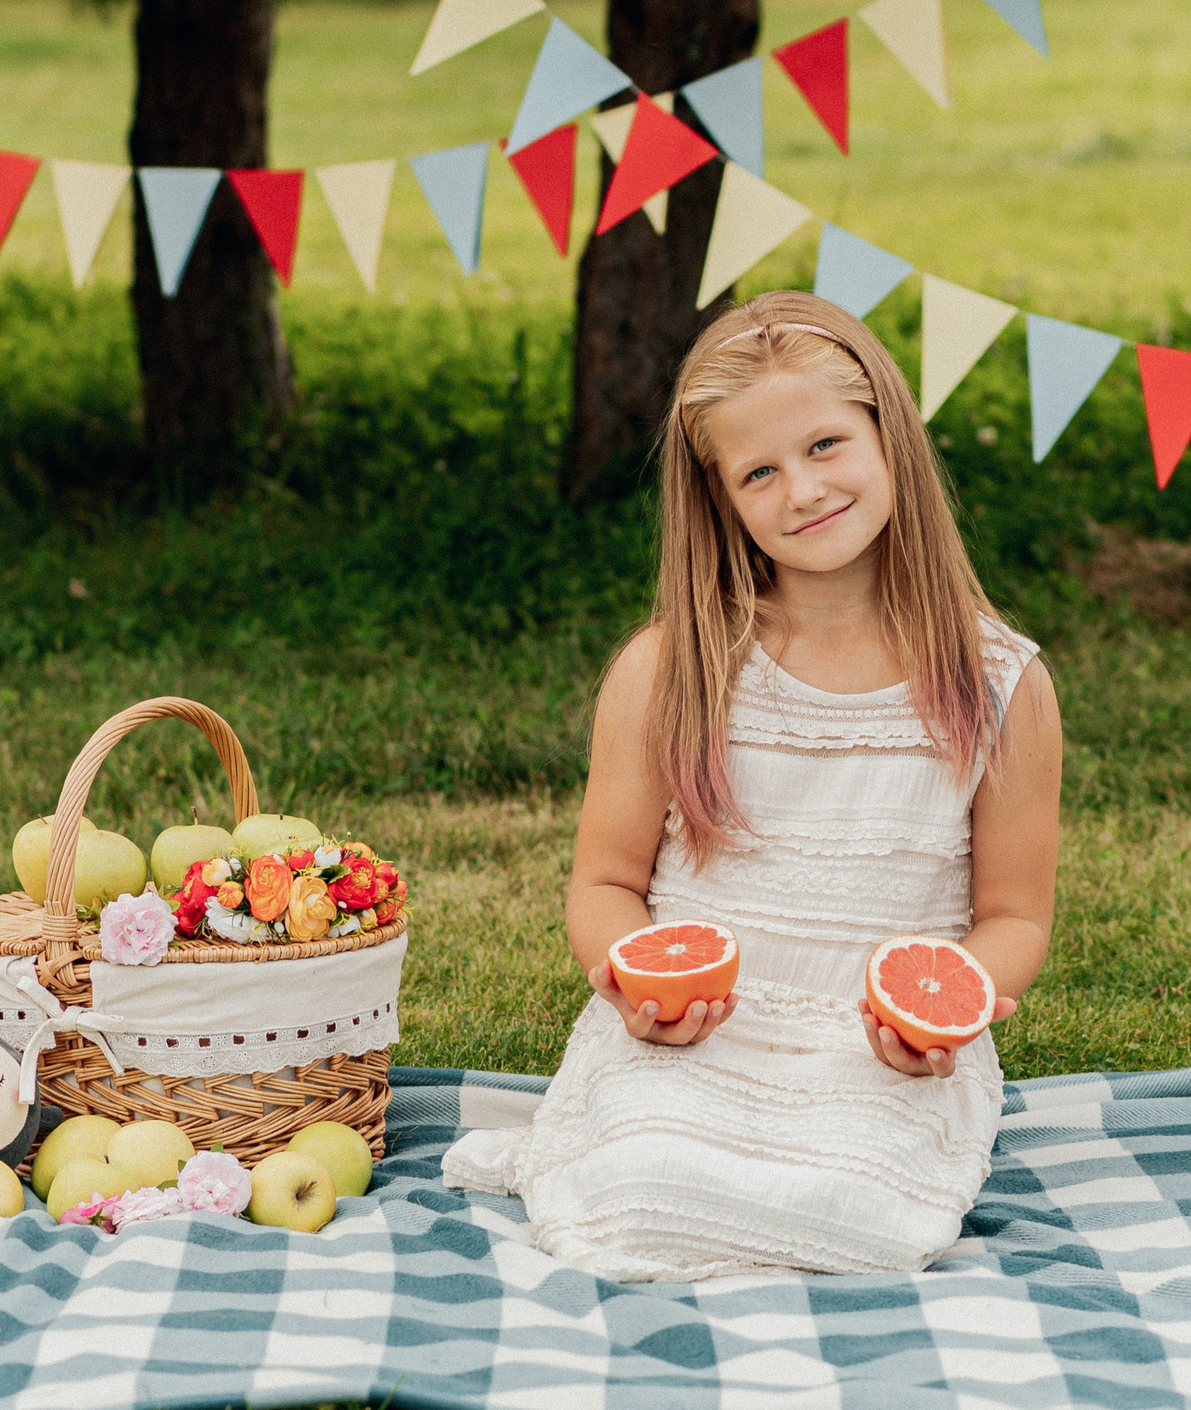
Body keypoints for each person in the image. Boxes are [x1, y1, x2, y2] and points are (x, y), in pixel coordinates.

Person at [443, 291, 1062, 1281]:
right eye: (759, 471)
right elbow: (604, 885)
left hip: (876, 1053)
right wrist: (635, 986)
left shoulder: (1003, 683)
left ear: (886, 434)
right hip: (694, 1041)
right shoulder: (668, 668)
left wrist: (946, 1012)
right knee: (641, 1188)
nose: (803, 489)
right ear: (720, 495)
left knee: (852, 1219)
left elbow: (1014, 917)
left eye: (825, 445)